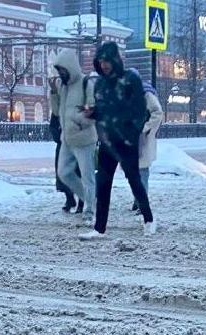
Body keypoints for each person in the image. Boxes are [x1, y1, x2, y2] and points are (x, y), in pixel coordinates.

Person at [79, 41, 154, 238]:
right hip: (106, 142)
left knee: (134, 181)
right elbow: (105, 111)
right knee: (102, 184)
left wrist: (132, 135)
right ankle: (99, 228)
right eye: (101, 61)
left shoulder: (130, 79)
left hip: (125, 141)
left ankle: (149, 219)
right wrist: (93, 113)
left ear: (115, 60)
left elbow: (139, 110)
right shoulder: (100, 84)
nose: (103, 65)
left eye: (107, 60)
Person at [52, 49, 97, 224]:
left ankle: (90, 210)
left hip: (84, 139)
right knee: (63, 173)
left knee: (88, 177)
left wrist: (79, 120)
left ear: (70, 67)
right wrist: (53, 94)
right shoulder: (63, 87)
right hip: (67, 139)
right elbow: (57, 112)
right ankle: (89, 199)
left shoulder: (86, 83)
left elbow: (93, 112)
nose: (60, 73)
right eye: (59, 70)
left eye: (62, 70)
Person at [47, 77, 80, 213]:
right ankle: (69, 198)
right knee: (63, 174)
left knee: (79, 173)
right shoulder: (59, 109)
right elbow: (53, 123)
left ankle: (82, 202)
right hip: (63, 145)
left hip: (78, 145)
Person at [133, 80, 164, 213]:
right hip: (132, 136)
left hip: (141, 137)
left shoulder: (145, 95)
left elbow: (157, 112)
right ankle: (138, 199)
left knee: (142, 170)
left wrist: (145, 128)